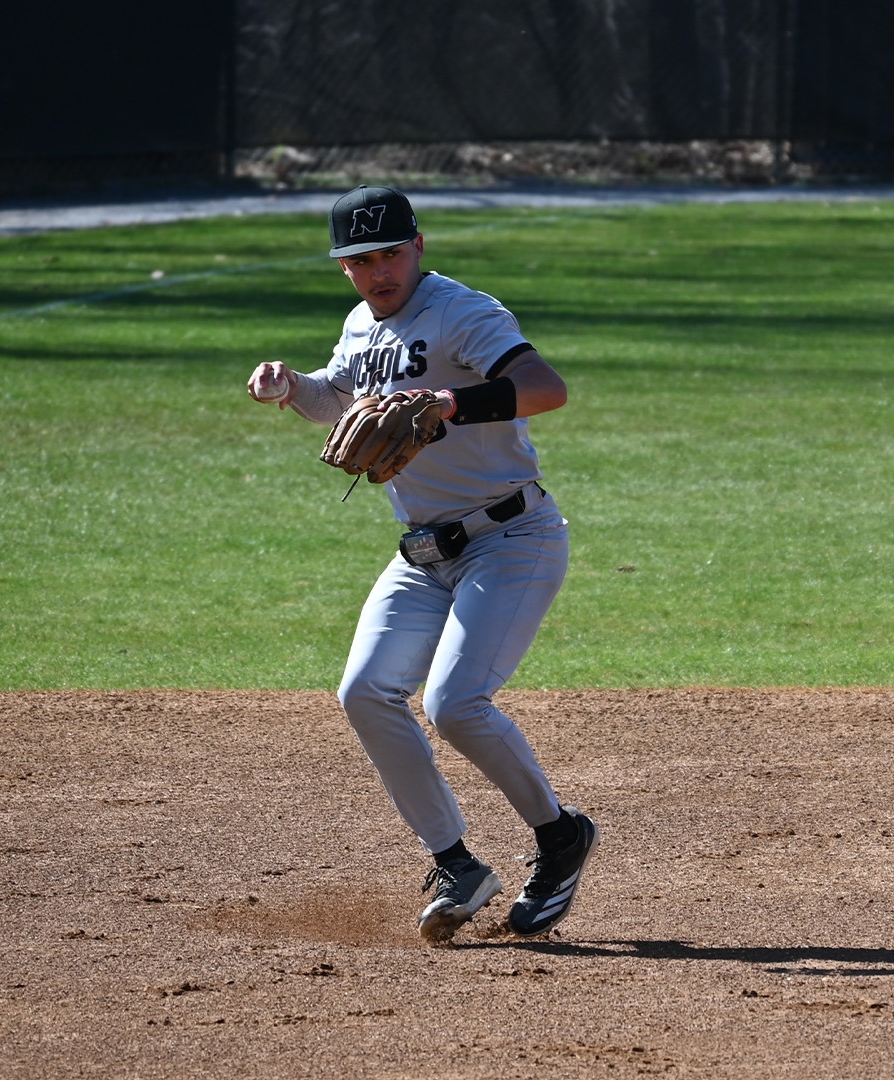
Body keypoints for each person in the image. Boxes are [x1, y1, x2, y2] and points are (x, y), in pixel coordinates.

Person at [245, 185, 597, 944]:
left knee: (456, 704)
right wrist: (290, 388)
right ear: (344, 268)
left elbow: (546, 388)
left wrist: (449, 401)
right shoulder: (360, 324)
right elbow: (337, 399)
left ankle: (560, 834)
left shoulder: (462, 313)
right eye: (360, 260)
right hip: (425, 553)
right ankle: (458, 864)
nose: (378, 272)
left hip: (513, 540)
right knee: (366, 691)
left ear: (419, 247)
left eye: (390, 254)